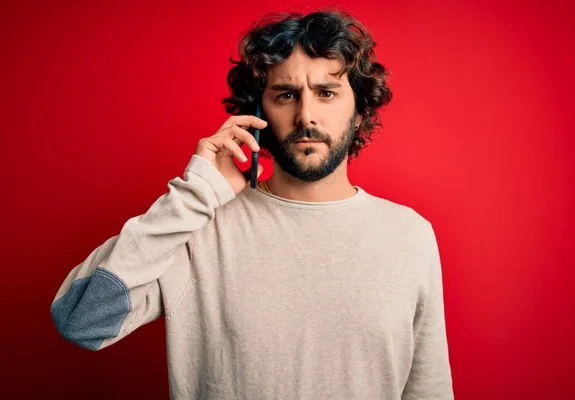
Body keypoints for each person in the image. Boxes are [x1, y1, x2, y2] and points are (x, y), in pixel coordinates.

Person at [50, 9, 454, 400]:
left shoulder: (409, 235)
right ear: (257, 113)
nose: (305, 115)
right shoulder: (199, 229)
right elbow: (79, 321)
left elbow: (429, 390)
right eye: (286, 95)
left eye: (327, 93)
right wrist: (197, 195)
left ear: (358, 110)